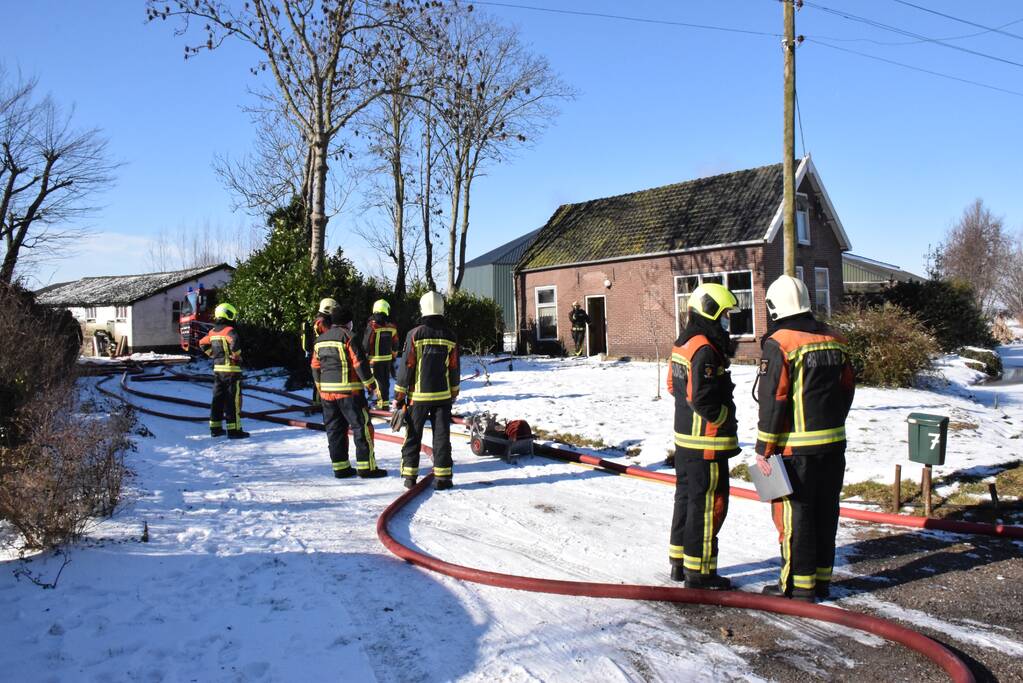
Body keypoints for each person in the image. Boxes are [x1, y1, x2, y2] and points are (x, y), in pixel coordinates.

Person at [755, 275, 855, 602]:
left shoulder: (780, 343)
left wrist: (763, 449)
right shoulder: (835, 339)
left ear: (774, 307)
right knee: (826, 512)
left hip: (794, 450)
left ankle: (796, 587)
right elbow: (847, 389)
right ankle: (821, 581)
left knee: (795, 517)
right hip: (834, 446)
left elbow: (774, 400)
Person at [666, 283, 741, 590]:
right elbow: (700, 398)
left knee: (685, 500)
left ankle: (679, 563)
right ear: (710, 312)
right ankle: (701, 574)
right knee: (708, 506)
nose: (726, 322)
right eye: (724, 315)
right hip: (706, 443)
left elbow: (672, 386)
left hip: (685, 441)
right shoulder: (705, 349)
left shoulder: (683, 344)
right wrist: (723, 419)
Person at [394, 291, 460, 491]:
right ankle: (443, 478)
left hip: (418, 398)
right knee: (442, 437)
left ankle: (409, 476)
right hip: (442, 397)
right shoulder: (450, 335)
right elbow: (454, 367)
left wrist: (399, 395)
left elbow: (407, 366)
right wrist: (454, 392)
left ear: (422, 308)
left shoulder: (414, 334)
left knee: (413, 436)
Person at [311, 307, 387, 479]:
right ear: (349, 322)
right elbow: (359, 363)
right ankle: (366, 468)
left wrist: (320, 387)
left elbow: (315, 366)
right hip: (349, 392)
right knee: (362, 427)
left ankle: (341, 468)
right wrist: (371, 385)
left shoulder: (320, 340)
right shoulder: (349, 337)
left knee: (334, 429)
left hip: (327, 395)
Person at [198, 302, 249, 439]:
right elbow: (235, 343)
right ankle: (234, 430)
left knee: (217, 400)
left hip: (218, 371)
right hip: (231, 371)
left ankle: (215, 429)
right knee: (233, 401)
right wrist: (236, 355)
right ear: (228, 314)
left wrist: (212, 354)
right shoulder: (229, 330)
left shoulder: (212, 332)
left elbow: (202, 343)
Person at [362, 299, 400, 410]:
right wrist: (393, 356)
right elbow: (395, 344)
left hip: (374, 361)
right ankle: (385, 405)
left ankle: (380, 405)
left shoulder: (372, 326)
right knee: (385, 383)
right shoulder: (391, 327)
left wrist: (363, 358)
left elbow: (366, 344)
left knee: (377, 384)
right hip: (387, 361)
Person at [302, 298, 337, 408]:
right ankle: (318, 402)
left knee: (322, 377)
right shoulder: (322, 322)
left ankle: (322, 400)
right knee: (320, 378)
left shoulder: (321, 320)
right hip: (321, 354)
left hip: (322, 352)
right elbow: (330, 335)